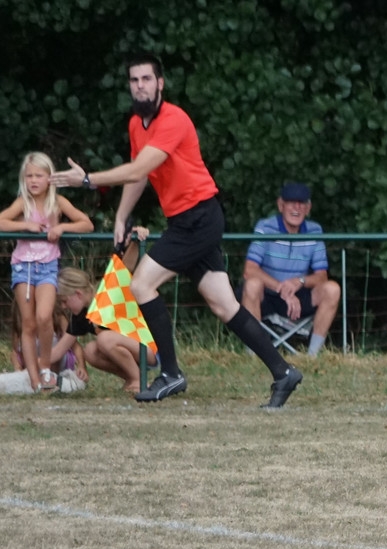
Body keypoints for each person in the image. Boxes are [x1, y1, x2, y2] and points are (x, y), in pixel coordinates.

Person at [49, 53, 302, 407]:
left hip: (198, 219)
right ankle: (283, 371)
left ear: (160, 84)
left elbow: (140, 168)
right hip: (186, 221)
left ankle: (170, 373)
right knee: (224, 304)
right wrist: (121, 216)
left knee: (141, 284)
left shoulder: (174, 119)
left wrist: (88, 179)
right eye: (134, 80)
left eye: (146, 79)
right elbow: (140, 175)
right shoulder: (137, 125)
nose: (140, 86)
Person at [0, 152, 94, 391]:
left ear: (49, 177)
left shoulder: (58, 201)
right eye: (29, 176)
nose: (33, 180)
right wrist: (25, 225)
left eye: (39, 175)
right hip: (23, 267)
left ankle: (45, 367)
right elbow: (2, 221)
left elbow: (86, 223)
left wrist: (61, 227)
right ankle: (34, 380)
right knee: (28, 323)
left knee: (44, 316)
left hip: (48, 266)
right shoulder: (23, 202)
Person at [239, 182, 341, 357]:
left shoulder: (315, 230)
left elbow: (322, 276)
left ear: (308, 208)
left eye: (301, 203)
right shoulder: (265, 227)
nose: (297, 208)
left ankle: (313, 357)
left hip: (299, 297)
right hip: (269, 295)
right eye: (291, 202)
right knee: (252, 285)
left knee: (333, 289)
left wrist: (299, 282)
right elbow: (250, 270)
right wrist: (282, 288)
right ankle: (253, 354)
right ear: (281, 205)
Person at [53, 265, 158, 394]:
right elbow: (59, 350)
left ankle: (139, 381)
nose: (63, 307)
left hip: (150, 348)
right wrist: (36, 366)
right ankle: (132, 378)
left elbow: (126, 264)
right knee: (90, 351)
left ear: (78, 294)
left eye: (64, 301)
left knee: (104, 339)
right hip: (133, 351)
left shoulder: (106, 296)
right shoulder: (79, 316)